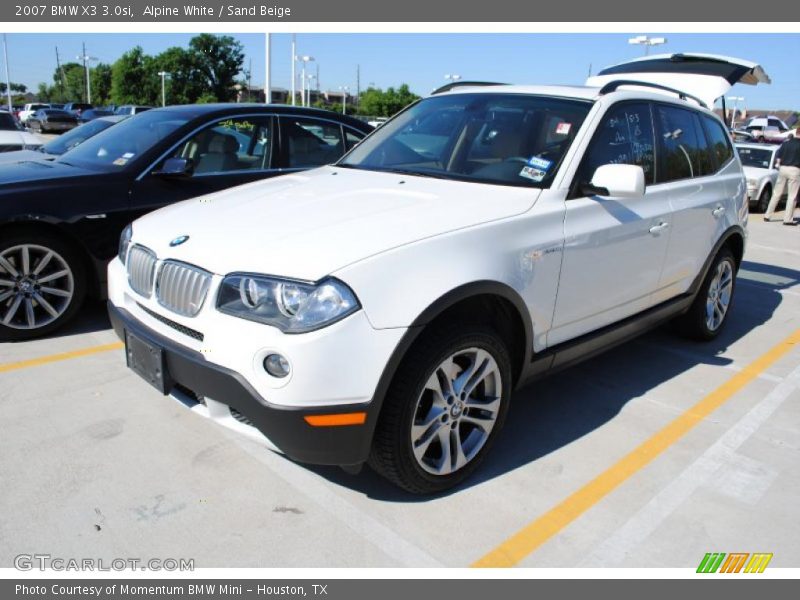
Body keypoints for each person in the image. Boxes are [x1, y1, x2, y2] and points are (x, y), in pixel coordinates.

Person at [764, 131, 800, 225]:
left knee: (776, 193)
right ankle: (787, 219)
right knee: (792, 195)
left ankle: (767, 215)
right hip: (795, 169)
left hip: (783, 168)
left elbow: (778, 158)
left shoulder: (785, 143)